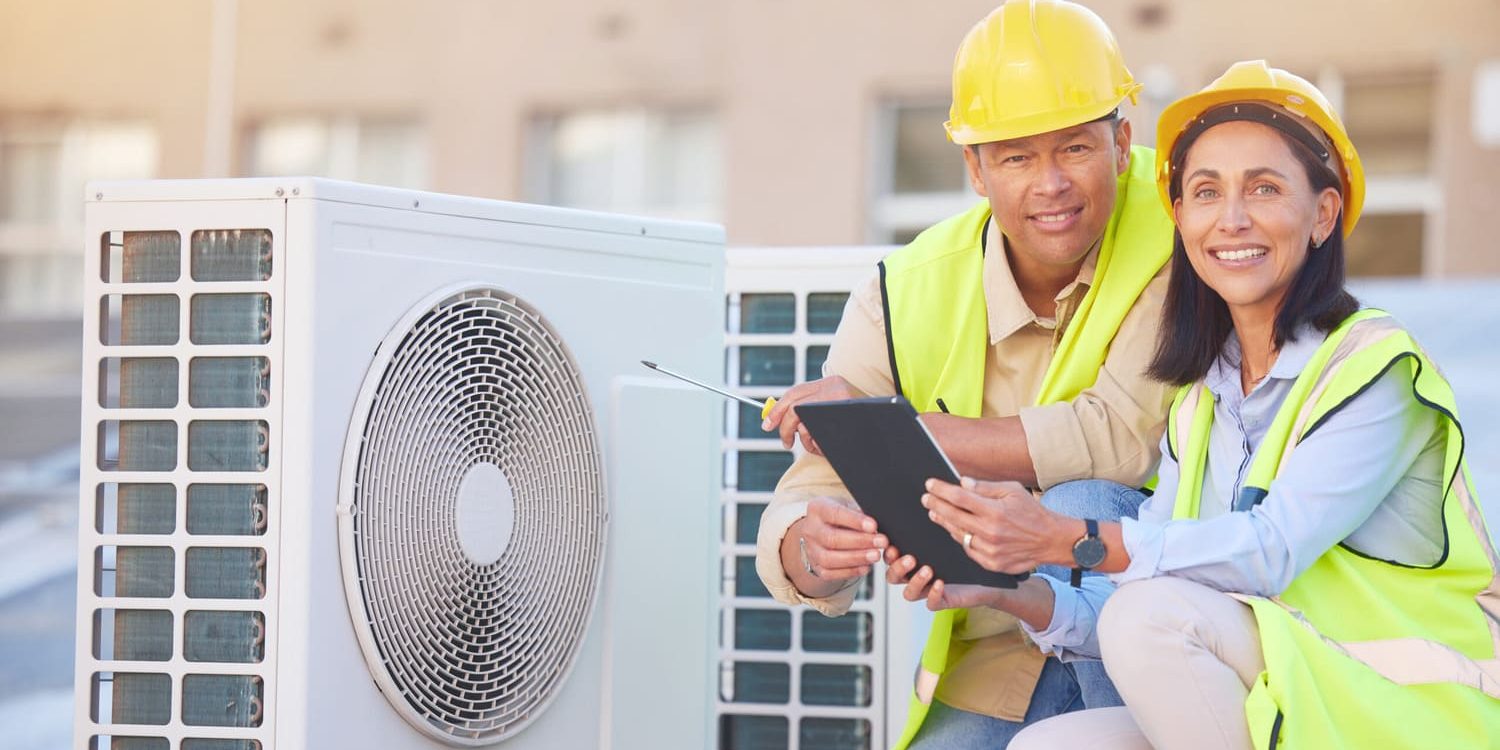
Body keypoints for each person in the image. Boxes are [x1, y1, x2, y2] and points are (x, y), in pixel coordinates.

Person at [915, 61, 1500, 749]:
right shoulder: (1201, 405)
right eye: (1205, 191)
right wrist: (1009, 591)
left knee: (1150, 617)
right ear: (1181, 220)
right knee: (1050, 743)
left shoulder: (1375, 370)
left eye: (1264, 188)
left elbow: (1270, 549)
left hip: (1408, 712)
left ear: (1323, 214)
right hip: (1292, 688)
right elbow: (1136, 596)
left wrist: (1063, 536)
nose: (1232, 218)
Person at [752, 1, 1177, 746]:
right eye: (1016, 156)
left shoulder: (1181, 240)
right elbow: (808, 492)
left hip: (1146, 637)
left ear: (1122, 142)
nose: (1051, 184)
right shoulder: (904, 291)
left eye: (1075, 147)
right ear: (975, 170)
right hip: (989, 648)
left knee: (1085, 497)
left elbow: (1117, 440)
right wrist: (814, 550)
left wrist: (893, 432)